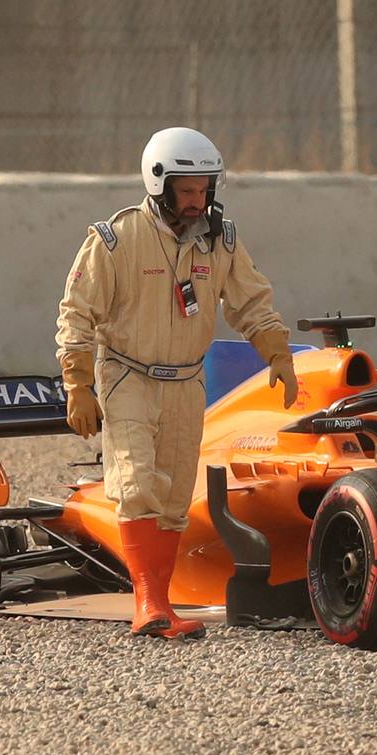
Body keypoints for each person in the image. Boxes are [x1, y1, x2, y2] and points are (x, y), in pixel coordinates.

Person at [55, 127, 296, 641]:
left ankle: (160, 603)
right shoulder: (114, 240)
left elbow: (251, 302)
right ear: (159, 184)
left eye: (205, 188)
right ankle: (148, 605)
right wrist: (78, 383)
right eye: (187, 189)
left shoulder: (222, 239)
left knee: (173, 497)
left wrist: (277, 352)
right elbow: (77, 313)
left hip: (188, 381)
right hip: (127, 377)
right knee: (138, 485)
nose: (197, 200)